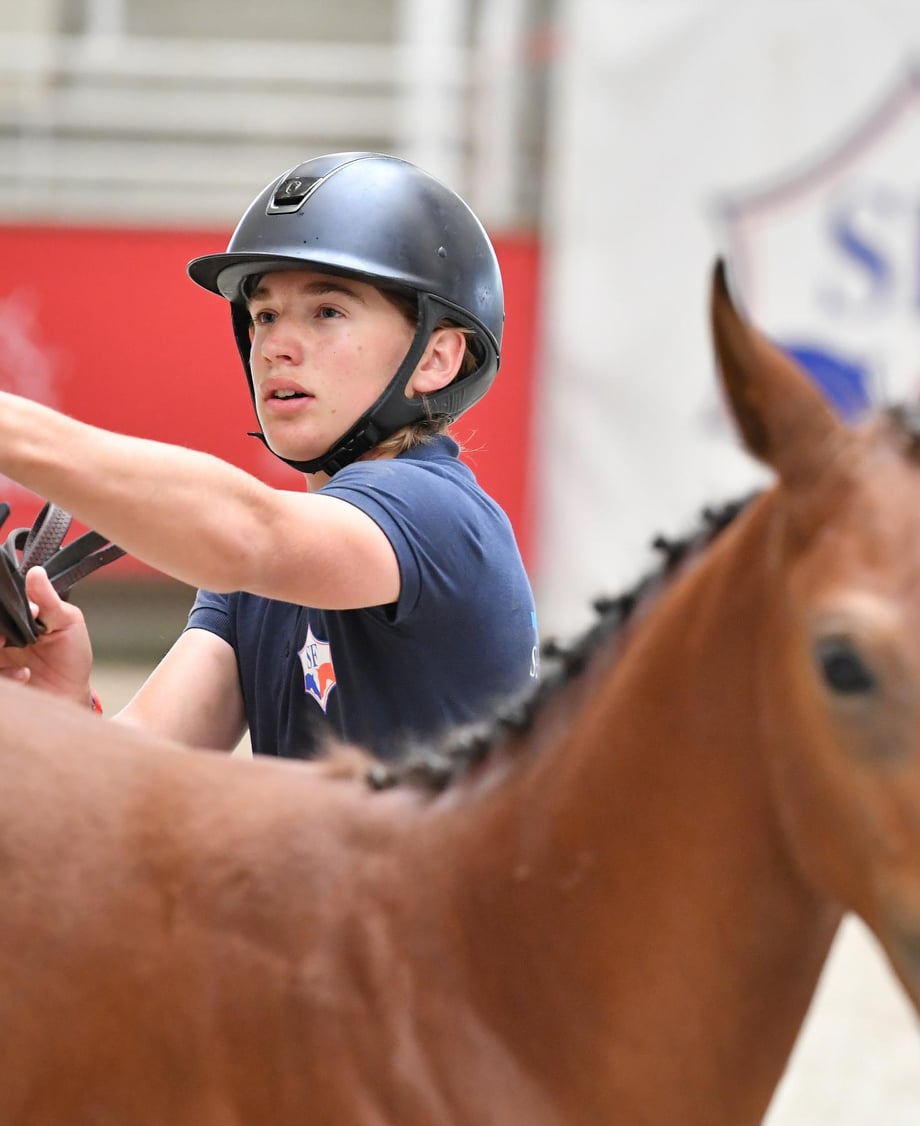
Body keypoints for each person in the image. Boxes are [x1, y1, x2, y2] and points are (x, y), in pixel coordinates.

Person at [0, 152, 537, 760]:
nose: (275, 344)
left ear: (435, 359)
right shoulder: (260, 577)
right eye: (265, 315)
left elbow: (247, 534)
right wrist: (64, 710)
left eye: (327, 312)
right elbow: (139, 767)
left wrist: (13, 434)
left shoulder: (438, 511)